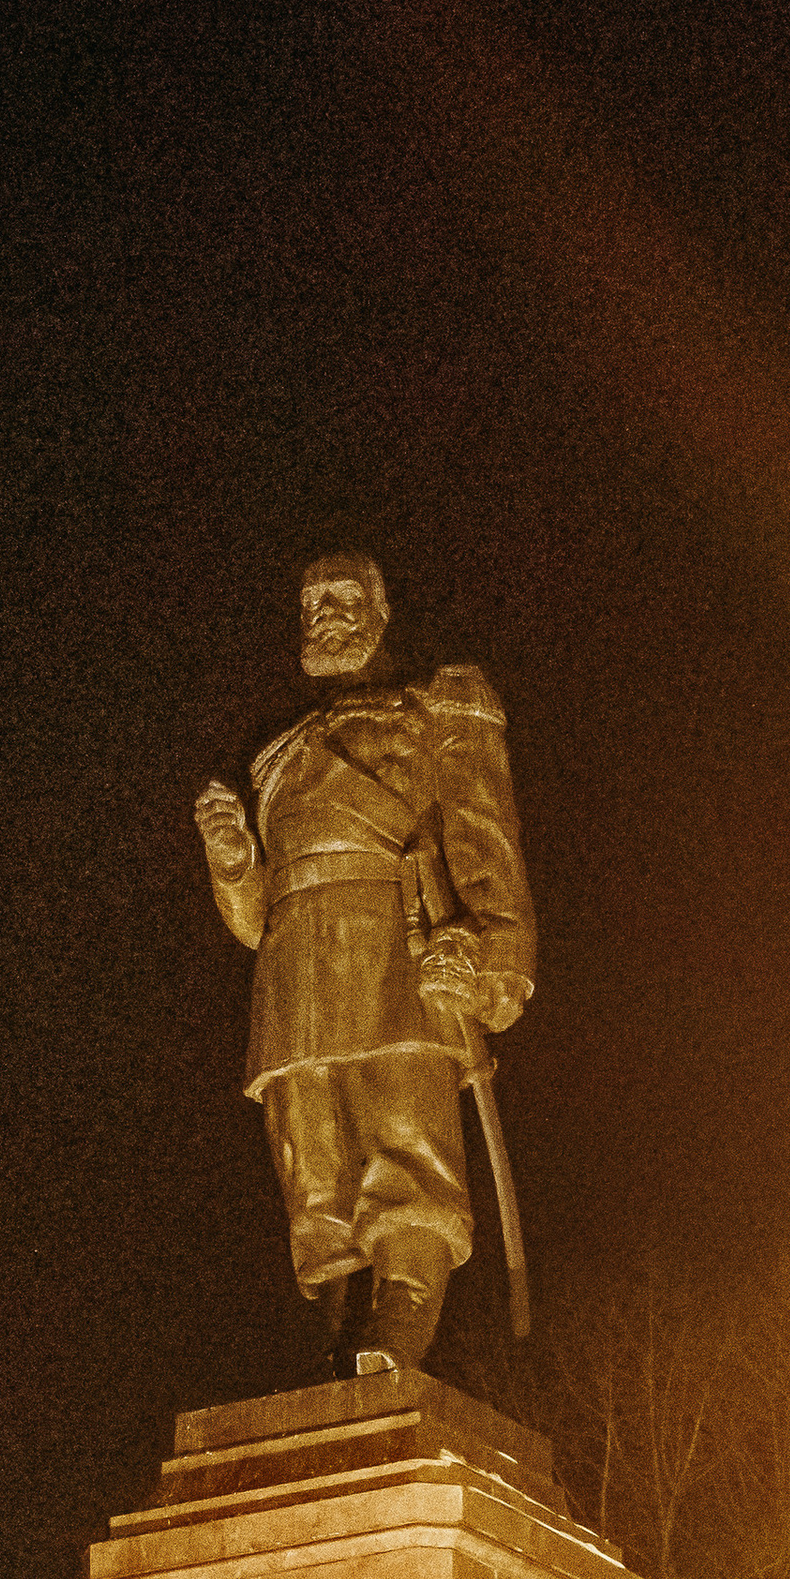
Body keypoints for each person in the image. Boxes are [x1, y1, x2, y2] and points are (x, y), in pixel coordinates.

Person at [195, 554, 535, 1372]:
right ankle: (338, 1327)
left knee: (405, 1144)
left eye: (345, 599)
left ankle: (402, 1315)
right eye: (311, 602)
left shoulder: (434, 708)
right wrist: (235, 860)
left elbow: (486, 841)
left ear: (382, 613)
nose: (326, 615)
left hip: (394, 951)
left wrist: (489, 956)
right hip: (293, 972)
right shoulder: (274, 753)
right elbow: (254, 920)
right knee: (310, 1169)